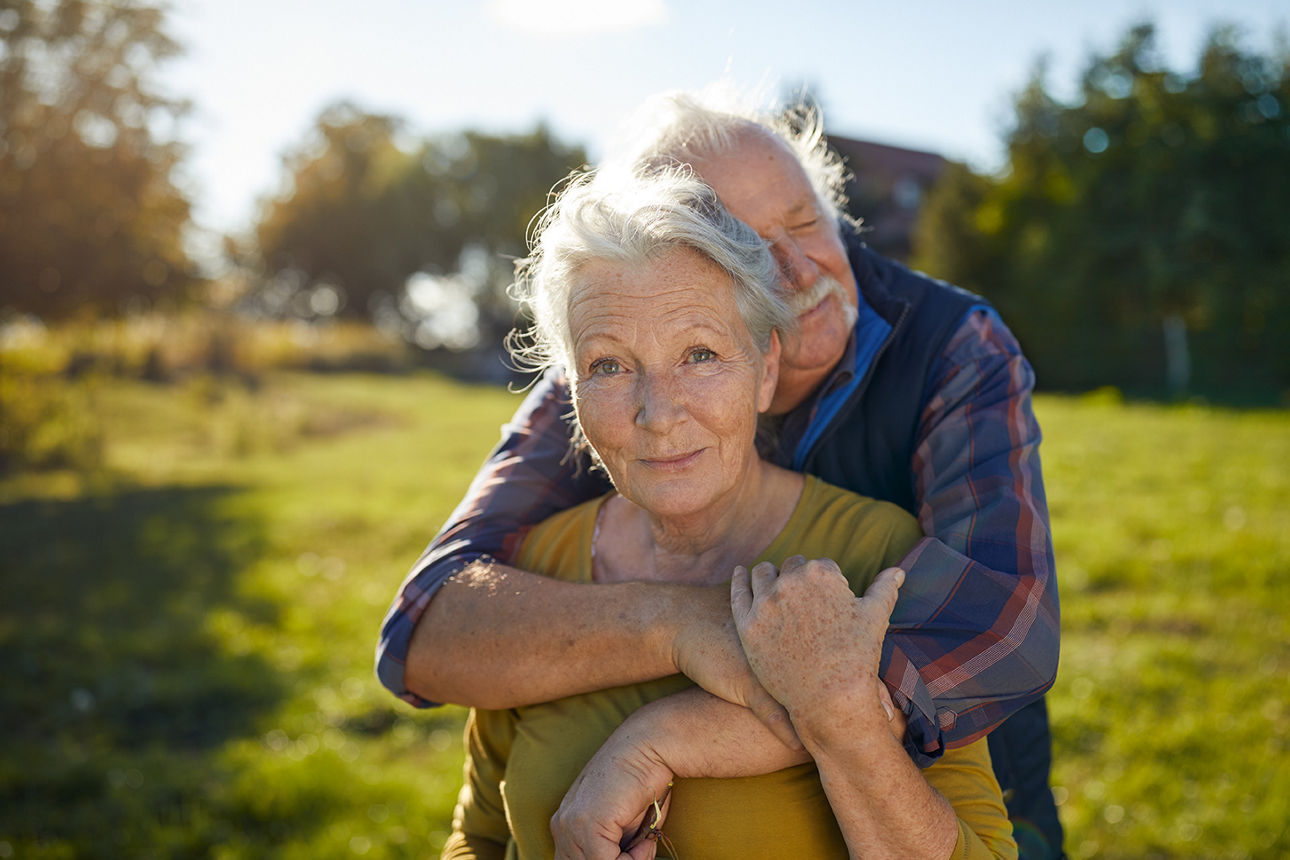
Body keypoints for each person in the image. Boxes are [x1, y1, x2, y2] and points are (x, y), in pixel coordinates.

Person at [378, 88, 1062, 857]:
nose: (794, 271)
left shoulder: (948, 353)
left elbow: (1006, 620)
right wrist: (682, 624)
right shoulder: (600, 372)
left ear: (762, 362)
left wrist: (698, 728)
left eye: (805, 222)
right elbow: (425, 633)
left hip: (970, 750)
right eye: (744, 244)